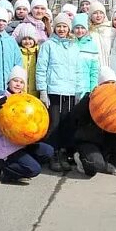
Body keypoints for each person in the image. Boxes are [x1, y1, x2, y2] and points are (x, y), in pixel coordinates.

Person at [0, 66, 54, 186]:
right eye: (15, 80)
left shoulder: (26, 101)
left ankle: (17, 172)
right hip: (4, 147)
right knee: (34, 169)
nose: (18, 84)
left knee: (48, 151)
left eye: (21, 82)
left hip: (21, 143)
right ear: (9, 82)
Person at [37, 14, 81, 172]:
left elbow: (78, 70)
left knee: (66, 124)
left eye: (64, 26)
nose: (61, 29)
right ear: (54, 28)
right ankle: (52, 154)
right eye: (59, 26)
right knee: (53, 124)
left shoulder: (74, 46)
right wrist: (43, 90)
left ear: (69, 28)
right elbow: (41, 68)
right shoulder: (48, 45)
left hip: (69, 91)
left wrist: (78, 91)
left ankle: (63, 153)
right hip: (54, 90)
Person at [71, 67, 116, 177]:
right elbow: (75, 115)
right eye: (106, 83)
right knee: (96, 166)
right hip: (89, 140)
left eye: (113, 83)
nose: (110, 86)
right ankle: (80, 158)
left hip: (106, 140)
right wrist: (90, 100)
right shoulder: (90, 97)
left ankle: (115, 163)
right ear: (100, 84)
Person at [72, 13, 100, 99]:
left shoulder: (92, 45)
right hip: (71, 89)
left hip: (86, 89)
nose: (80, 31)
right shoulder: (69, 44)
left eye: (82, 28)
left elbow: (94, 70)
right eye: (77, 28)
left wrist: (93, 88)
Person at [14, 23, 41, 99]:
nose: (27, 41)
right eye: (24, 39)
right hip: (20, 91)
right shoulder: (17, 52)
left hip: (35, 91)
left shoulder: (38, 52)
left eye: (30, 39)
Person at [87, 2, 116, 70]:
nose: (98, 15)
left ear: (104, 15)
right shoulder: (88, 33)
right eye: (95, 13)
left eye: (101, 13)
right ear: (90, 16)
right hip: (95, 70)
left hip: (111, 70)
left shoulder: (112, 32)